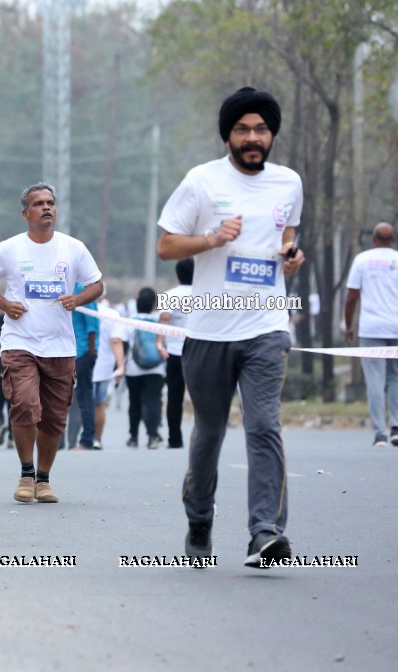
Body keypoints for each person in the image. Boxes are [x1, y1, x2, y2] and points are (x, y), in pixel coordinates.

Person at [157, 86, 304, 567]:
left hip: (266, 325)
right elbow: (166, 246)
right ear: (228, 136)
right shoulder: (202, 181)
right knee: (210, 434)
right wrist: (211, 238)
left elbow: (286, 236)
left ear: (272, 134)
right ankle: (199, 517)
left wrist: (290, 255)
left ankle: (265, 531)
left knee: (263, 426)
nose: (252, 137)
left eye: (261, 129)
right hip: (209, 330)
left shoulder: (289, 183)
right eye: (242, 129)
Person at [0, 182, 103, 504]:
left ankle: (44, 479)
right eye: (38, 204)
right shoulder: (9, 248)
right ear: (25, 213)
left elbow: (97, 284)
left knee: (54, 416)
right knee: (25, 403)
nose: (46, 207)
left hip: (61, 346)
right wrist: (4, 304)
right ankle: (26, 472)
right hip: (20, 341)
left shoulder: (73, 248)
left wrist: (77, 298)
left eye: (50, 203)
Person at [344, 222, 398, 447]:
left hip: (371, 328)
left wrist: (348, 325)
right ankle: (397, 428)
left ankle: (380, 433)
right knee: (396, 378)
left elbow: (351, 296)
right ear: (393, 240)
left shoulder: (361, 261)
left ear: (374, 239)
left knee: (375, 380)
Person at [112, 287, 167, 449]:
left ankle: (134, 437)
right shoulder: (160, 323)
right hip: (156, 369)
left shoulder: (129, 322)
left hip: (133, 369)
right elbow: (164, 345)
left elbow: (122, 344)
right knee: (154, 401)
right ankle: (152, 437)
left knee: (134, 402)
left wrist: (120, 367)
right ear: (153, 305)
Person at [162, 259, 194, 448]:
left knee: (174, 398)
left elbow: (163, 322)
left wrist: (160, 344)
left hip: (174, 352)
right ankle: (205, 438)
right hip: (199, 352)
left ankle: (175, 438)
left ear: (177, 275)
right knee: (204, 397)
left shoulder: (169, 295)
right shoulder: (205, 295)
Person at [65, 283, 100, 450]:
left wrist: (91, 352)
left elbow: (92, 324)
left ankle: (87, 440)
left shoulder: (81, 290)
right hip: (71, 351)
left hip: (83, 351)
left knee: (84, 397)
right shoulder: (67, 288)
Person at [89, 298, 119, 450]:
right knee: (99, 404)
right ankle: (97, 438)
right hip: (105, 366)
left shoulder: (79, 308)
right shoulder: (112, 313)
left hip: (84, 362)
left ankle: (83, 438)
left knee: (81, 404)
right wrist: (121, 365)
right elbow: (116, 341)